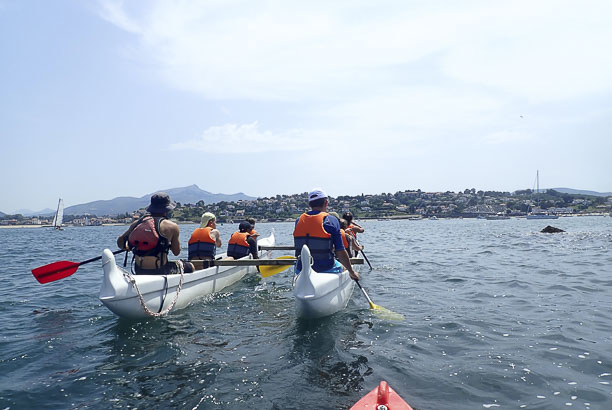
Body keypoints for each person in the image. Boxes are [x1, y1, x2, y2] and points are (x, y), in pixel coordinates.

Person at [117, 192, 194, 275]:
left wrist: (127, 247)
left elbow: (120, 242)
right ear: (167, 209)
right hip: (161, 270)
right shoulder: (172, 226)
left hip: (139, 270)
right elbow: (176, 252)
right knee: (190, 267)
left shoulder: (137, 223)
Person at [293, 189, 359, 280]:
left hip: (301, 269)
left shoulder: (298, 220)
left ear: (309, 204)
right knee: (344, 268)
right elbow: (340, 251)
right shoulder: (332, 220)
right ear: (326, 203)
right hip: (326, 268)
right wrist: (351, 272)